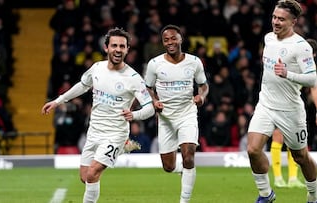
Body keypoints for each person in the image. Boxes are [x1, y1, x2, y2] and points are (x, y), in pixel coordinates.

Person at [41, 27, 155, 203]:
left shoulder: (133, 77)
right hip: (94, 132)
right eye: (114, 45)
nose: (118, 49)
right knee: (85, 176)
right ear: (106, 47)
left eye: (122, 46)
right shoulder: (97, 68)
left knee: (93, 172)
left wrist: (135, 115)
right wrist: (58, 101)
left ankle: (121, 144)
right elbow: (82, 85)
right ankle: (124, 148)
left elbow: (150, 107)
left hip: (115, 133)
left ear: (127, 50)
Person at [246, 1, 317, 203]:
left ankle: (314, 195)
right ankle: (266, 194)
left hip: (290, 110)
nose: (275, 22)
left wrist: (288, 74)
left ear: (293, 22)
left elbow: (312, 79)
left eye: (281, 19)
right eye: (274, 17)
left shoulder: (301, 47)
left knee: (300, 157)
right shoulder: (268, 38)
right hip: (266, 105)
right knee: (253, 149)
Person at [144, 24, 209, 203]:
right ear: (163, 42)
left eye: (173, 38)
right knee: (169, 166)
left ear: (181, 39)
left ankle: (184, 200)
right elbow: (147, 88)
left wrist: (201, 96)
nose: (170, 42)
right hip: (165, 119)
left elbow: (203, 85)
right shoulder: (155, 64)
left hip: (187, 114)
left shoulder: (194, 62)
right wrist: (154, 100)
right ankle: (187, 170)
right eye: (166, 40)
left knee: (189, 156)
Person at [271, 38, 317, 188]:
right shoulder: (290, 59)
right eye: (311, 55)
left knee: (293, 140)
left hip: (293, 103)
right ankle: (278, 178)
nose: (311, 59)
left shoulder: (308, 67)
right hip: (277, 101)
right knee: (278, 136)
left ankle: (293, 178)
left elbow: (314, 87)